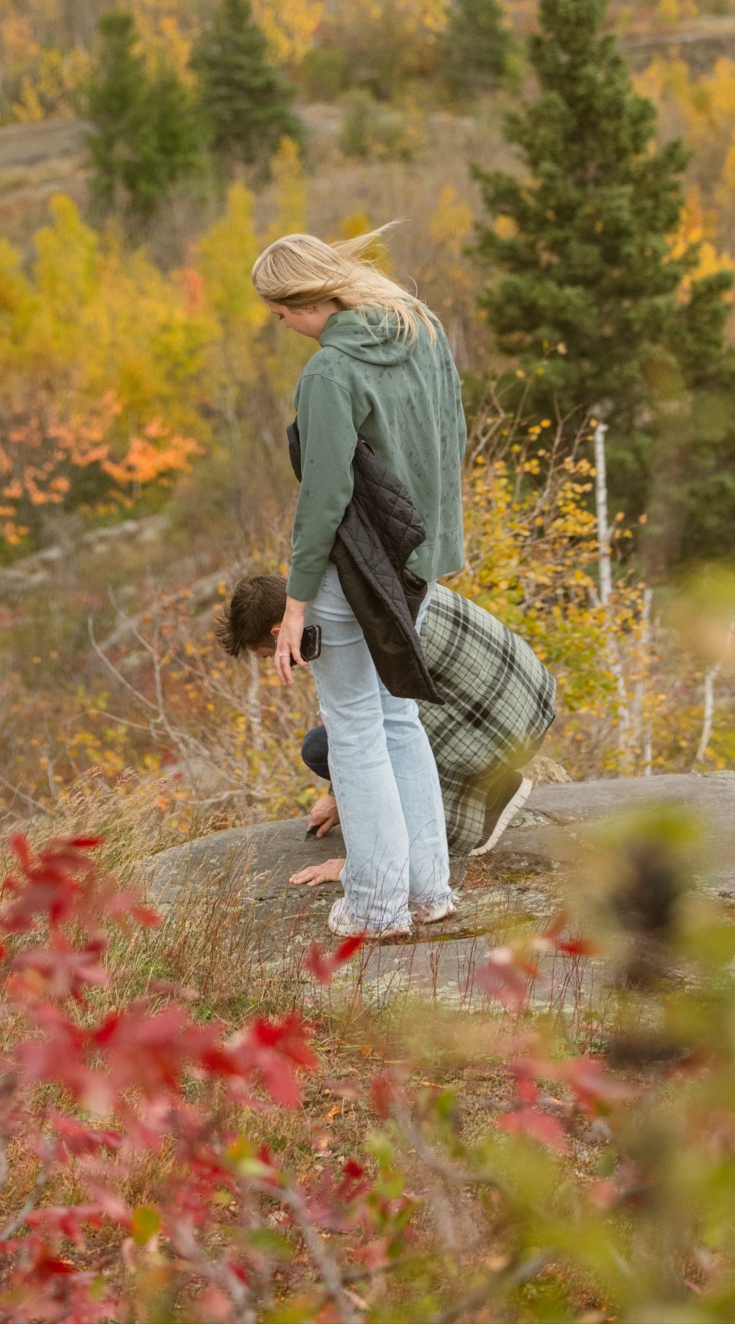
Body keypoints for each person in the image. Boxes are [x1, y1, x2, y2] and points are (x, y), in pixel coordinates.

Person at [251, 226, 465, 941]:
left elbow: (324, 498)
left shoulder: (329, 374)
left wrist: (295, 601)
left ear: (308, 298)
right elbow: (451, 439)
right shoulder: (423, 330)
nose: (285, 327)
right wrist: (439, 547)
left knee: (355, 731)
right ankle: (428, 890)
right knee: (398, 717)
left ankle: (376, 906)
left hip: (354, 569)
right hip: (418, 560)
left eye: (283, 314)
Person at [220, 571, 556, 863]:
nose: (277, 663)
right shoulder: (352, 584)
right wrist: (336, 797)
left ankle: (491, 797)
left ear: (279, 633)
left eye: (269, 656)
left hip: (503, 727)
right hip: (533, 699)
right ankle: (486, 781)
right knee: (323, 746)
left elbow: (364, 737)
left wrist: (366, 862)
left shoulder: (341, 636)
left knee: (352, 748)